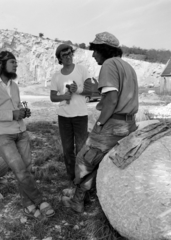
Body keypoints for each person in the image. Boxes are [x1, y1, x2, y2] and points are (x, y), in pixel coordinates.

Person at [62, 32, 139, 213]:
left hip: (113, 123)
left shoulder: (109, 64)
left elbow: (112, 100)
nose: (93, 54)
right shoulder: (127, 67)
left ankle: (77, 200)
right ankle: (85, 194)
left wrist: (100, 123)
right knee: (100, 160)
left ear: (104, 50)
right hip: (129, 124)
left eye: (95, 50)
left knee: (85, 159)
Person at [0, 51, 55, 218]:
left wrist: (22, 112)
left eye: (16, 62)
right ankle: (40, 201)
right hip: (1, 135)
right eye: (12, 62)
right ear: (1, 64)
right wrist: (12, 115)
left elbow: (15, 106)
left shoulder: (14, 86)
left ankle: (27, 204)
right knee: (20, 170)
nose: (16, 65)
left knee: (26, 169)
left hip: (20, 132)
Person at [50, 44, 95, 182]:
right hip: (64, 117)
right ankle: (71, 177)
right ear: (60, 58)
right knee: (67, 149)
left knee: (81, 149)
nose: (68, 57)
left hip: (80, 116)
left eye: (70, 53)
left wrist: (77, 90)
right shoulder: (56, 76)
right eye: (64, 55)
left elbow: (91, 90)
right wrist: (64, 96)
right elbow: (52, 97)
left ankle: (81, 178)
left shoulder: (81, 70)